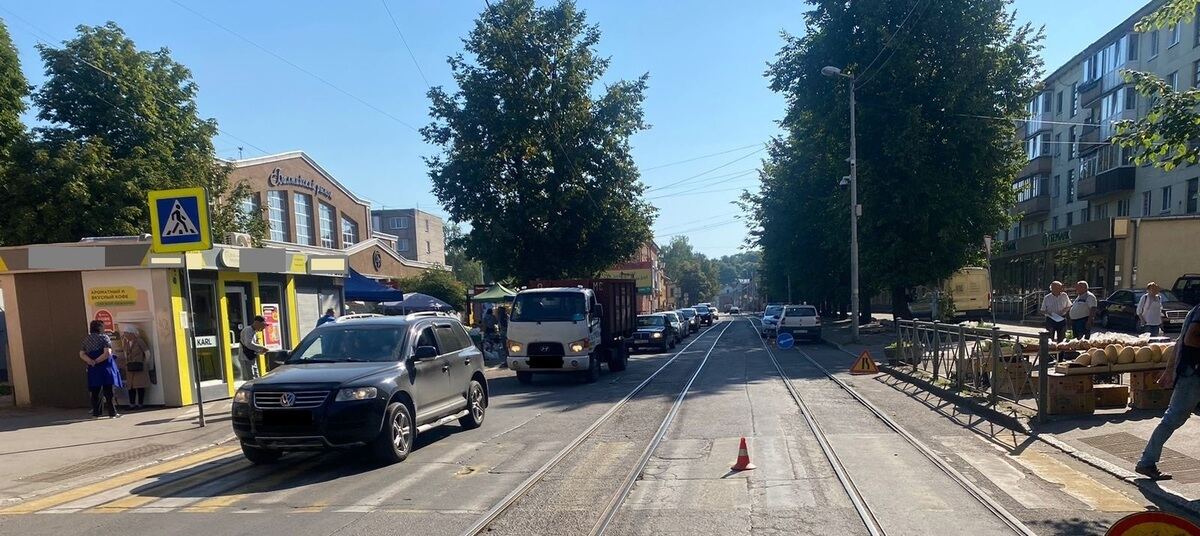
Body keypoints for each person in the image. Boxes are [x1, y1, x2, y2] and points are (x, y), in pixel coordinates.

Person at [1135, 303, 1200, 480]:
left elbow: (1179, 341)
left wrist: (1169, 370)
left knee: (1172, 418)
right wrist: (1171, 370)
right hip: (1193, 375)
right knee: (1172, 419)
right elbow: (1189, 339)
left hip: (1190, 373)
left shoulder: (1195, 310)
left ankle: (1147, 462)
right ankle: (1146, 462)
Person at [81, 320, 121, 418]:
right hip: (105, 367)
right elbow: (107, 353)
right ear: (99, 328)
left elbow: (82, 354)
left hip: (93, 369)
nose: (104, 328)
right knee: (108, 390)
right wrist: (97, 361)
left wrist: (91, 361)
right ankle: (112, 413)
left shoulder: (86, 339)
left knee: (95, 391)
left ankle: (96, 413)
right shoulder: (104, 337)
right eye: (103, 326)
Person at [121, 327, 152, 410]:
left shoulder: (139, 341)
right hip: (130, 366)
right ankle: (132, 404)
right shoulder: (126, 342)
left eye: (126, 333)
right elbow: (125, 353)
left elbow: (147, 353)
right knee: (130, 386)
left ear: (132, 333)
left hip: (140, 366)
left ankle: (140, 404)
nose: (125, 335)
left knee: (140, 385)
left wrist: (145, 363)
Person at [238, 316, 268, 381]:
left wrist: (260, 351)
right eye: (262, 325)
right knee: (251, 379)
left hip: (251, 357)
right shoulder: (248, 330)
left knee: (256, 377)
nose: (263, 328)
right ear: (257, 323)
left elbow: (253, 347)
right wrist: (262, 347)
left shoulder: (254, 332)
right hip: (246, 357)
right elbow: (249, 344)